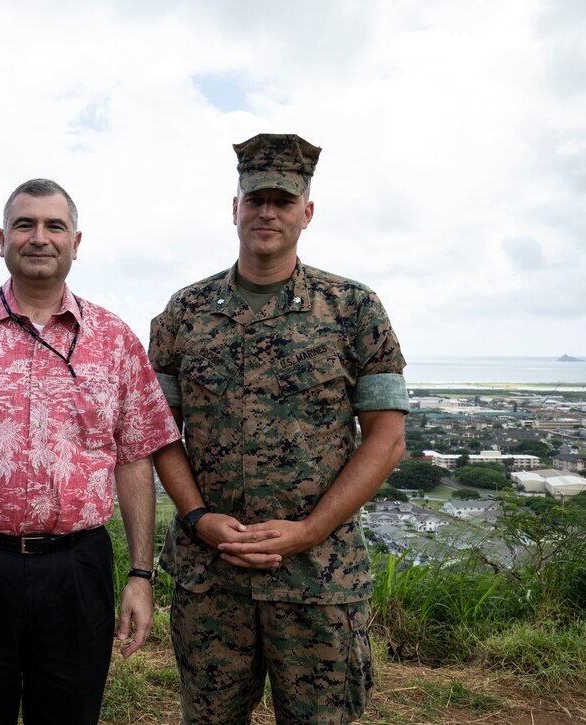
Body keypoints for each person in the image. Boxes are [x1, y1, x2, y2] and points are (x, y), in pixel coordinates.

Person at [0, 178, 180, 724]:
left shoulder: (114, 339)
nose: (39, 237)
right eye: (25, 225)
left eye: (53, 226)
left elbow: (134, 458)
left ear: (76, 241)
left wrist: (141, 575)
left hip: (76, 569)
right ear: (2, 239)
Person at [150, 133, 409, 724]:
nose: (267, 212)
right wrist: (196, 518)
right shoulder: (184, 313)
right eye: (255, 198)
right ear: (234, 208)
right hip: (212, 576)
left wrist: (308, 531)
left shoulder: (354, 309)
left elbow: (387, 439)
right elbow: (159, 431)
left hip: (319, 578)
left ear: (307, 213)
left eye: (283, 201)